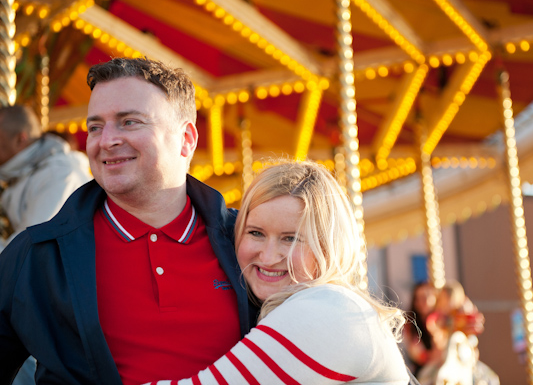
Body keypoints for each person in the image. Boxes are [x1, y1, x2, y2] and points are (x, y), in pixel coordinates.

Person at [0, 58, 256, 384]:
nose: (106, 140)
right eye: (95, 127)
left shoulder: (248, 243)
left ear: (186, 139)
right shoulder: (38, 254)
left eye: (129, 122)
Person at [146, 160, 415, 384]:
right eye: (255, 233)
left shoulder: (326, 310)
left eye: (291, 238)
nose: (269, 255)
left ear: (327, 245)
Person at [0, 104, 92, 385]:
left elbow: (34, 246)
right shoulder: (24, 175)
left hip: (56, 303)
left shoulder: (59, 173)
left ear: (20, 139)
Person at [404, 282, 438, 376]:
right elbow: (418, 355)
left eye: (425, 297)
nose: (422, 302)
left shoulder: (441, 318)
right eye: (418, 299)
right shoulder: (410, 324)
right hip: (424, 371)